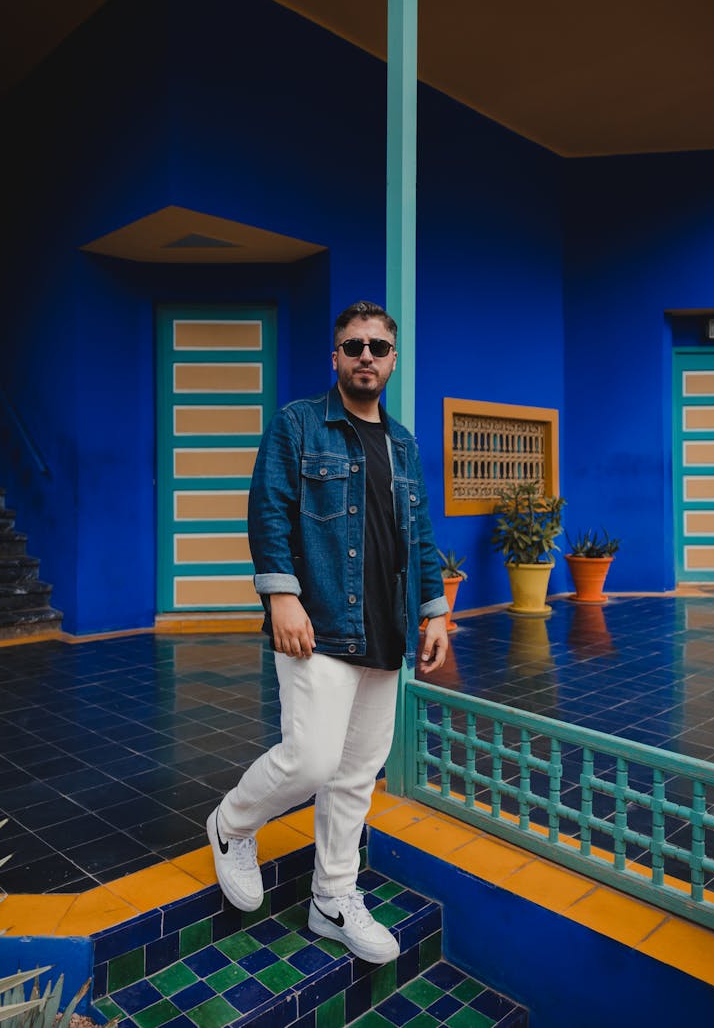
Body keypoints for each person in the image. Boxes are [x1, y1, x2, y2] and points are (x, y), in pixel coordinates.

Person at [207, 300, 449, 964]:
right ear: (335, 356)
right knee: (312, 759)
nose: (365, 355)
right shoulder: (298, 424)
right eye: (353, 345)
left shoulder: (403, 444)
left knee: (356, 774)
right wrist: (281, 595)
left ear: (392, 359)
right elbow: (268, 510)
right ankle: (231, 825)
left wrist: (435, 610)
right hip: (318, 626)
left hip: (386, 630)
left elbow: (420, 533)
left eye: (377, 346)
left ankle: (332, 897)